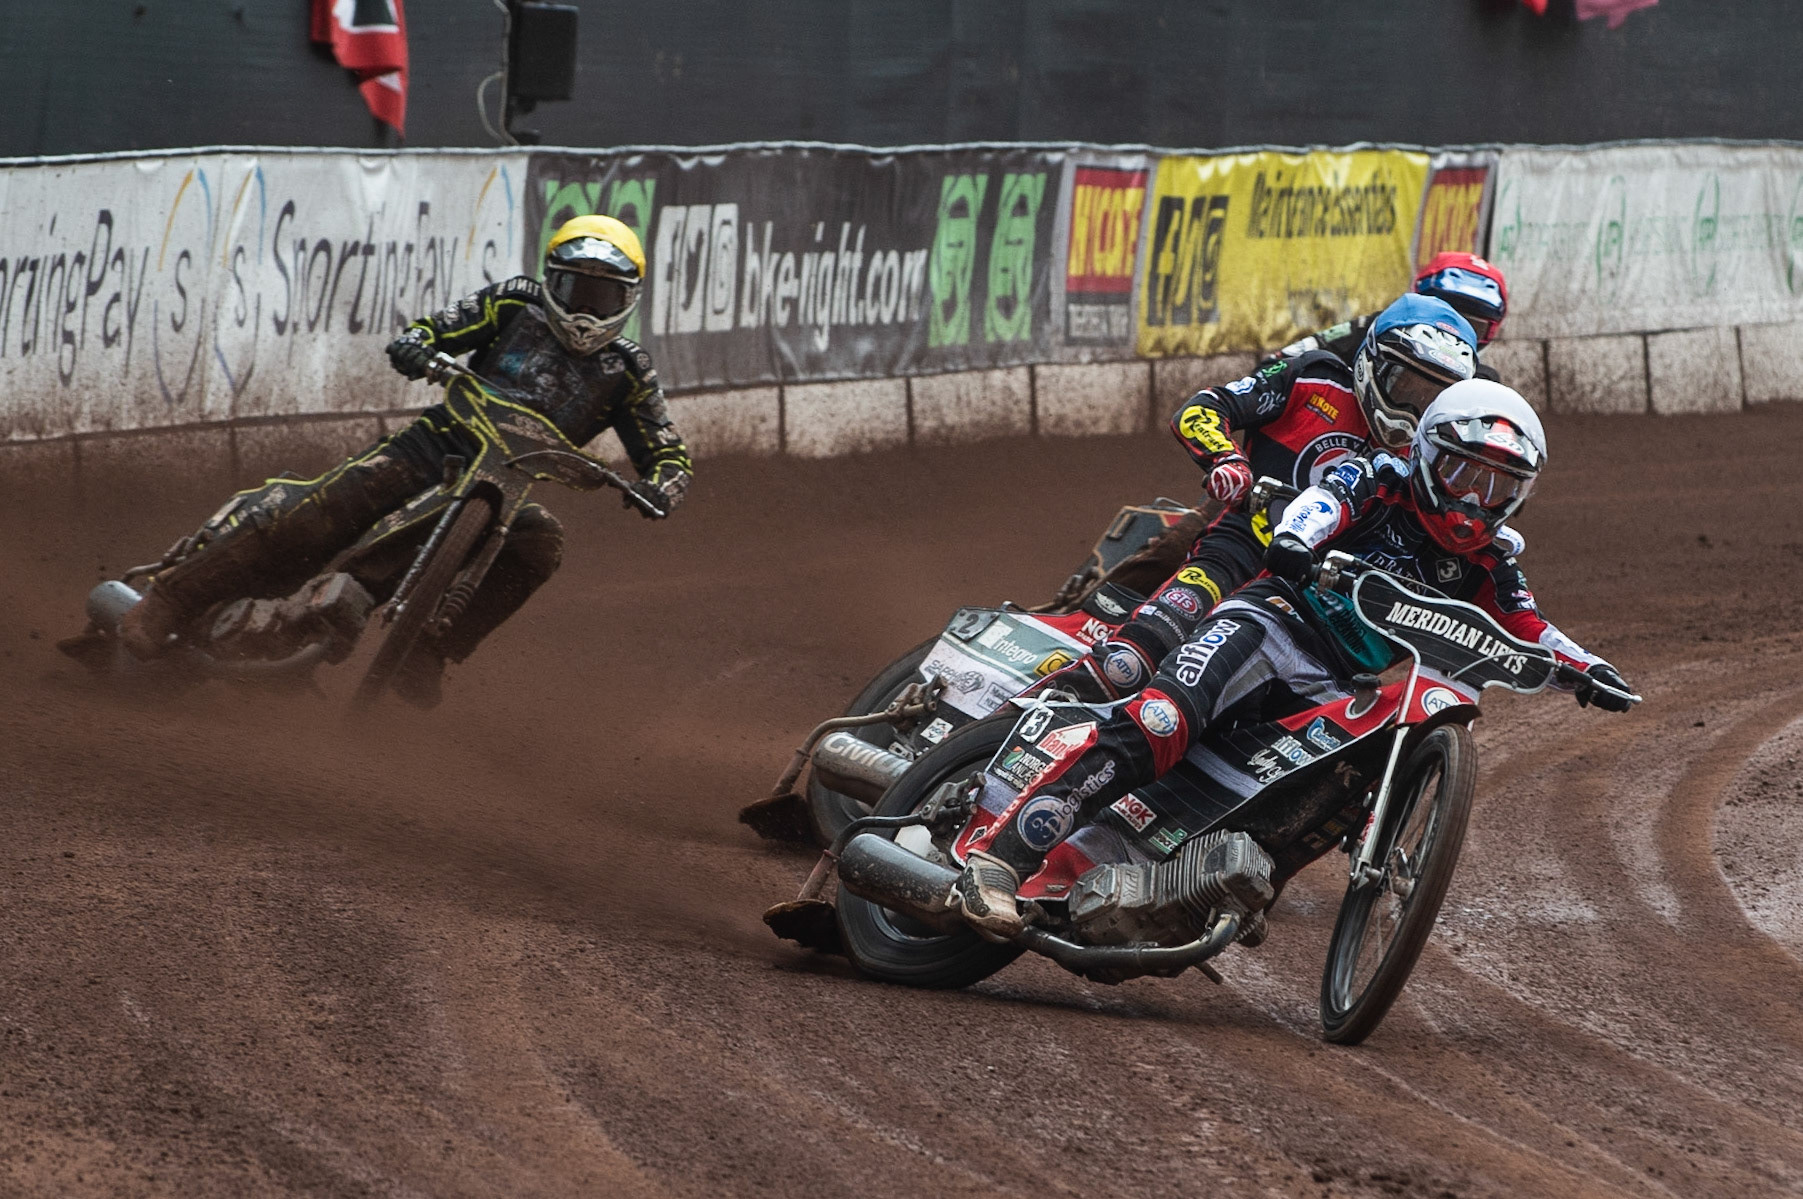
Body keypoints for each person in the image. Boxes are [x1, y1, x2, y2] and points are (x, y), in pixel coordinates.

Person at [948, 380, 1634, 940]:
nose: (1474, 499)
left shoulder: (1491, 559)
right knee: (1160, 719)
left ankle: (1202, 884)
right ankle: (1000, 862)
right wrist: (1297, 540)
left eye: (1497, 485)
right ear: (1427, 455)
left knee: (1316, 782)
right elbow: (1321, 501)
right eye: (1462, 472)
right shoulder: (1379, 478)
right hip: (1270, 619)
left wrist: (1586, 667)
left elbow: (1528, 624)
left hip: (1333, 681)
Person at [111, 215, 692, 706]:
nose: (588, 309)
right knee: (329, 507)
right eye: (576, 289)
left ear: (629, 298)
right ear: (552, 282)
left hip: (509, 485)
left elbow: (666, 449)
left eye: (604, 295)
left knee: (540, 544)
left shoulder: (629, 371)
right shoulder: (516, 301)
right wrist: (417, 345)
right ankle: (173, 597)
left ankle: (428, 650)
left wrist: (663, 484)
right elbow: (439, 326)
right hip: (439, 440)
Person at [1053, 294, 1479, 705]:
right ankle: (1065, 636)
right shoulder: (1313, 378)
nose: (1414, 406)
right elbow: (1204, 408)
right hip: (1242, 547)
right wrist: (1227, 460)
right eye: (1405, 384)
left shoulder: (1439, 450)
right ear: (1373, 361)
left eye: (1432, 396)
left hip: (1317, 603)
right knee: (1133, 655)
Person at [1270, 252, 1510, 380]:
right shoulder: (1375, 329)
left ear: (1487, 335)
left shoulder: (1480, 384)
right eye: (1441, 313)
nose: (1449, 331)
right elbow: (1277, 364)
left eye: (1471, 326)